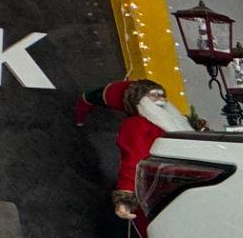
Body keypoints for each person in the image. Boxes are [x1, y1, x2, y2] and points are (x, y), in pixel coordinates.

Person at [73, 78, 197, 220]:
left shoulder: (169, 119)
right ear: (140, 100)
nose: (160, 99)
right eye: (153, 95)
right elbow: (134, 162)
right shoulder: (136, 125)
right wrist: (125, 199)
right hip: (159, 189)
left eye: (161, 95)